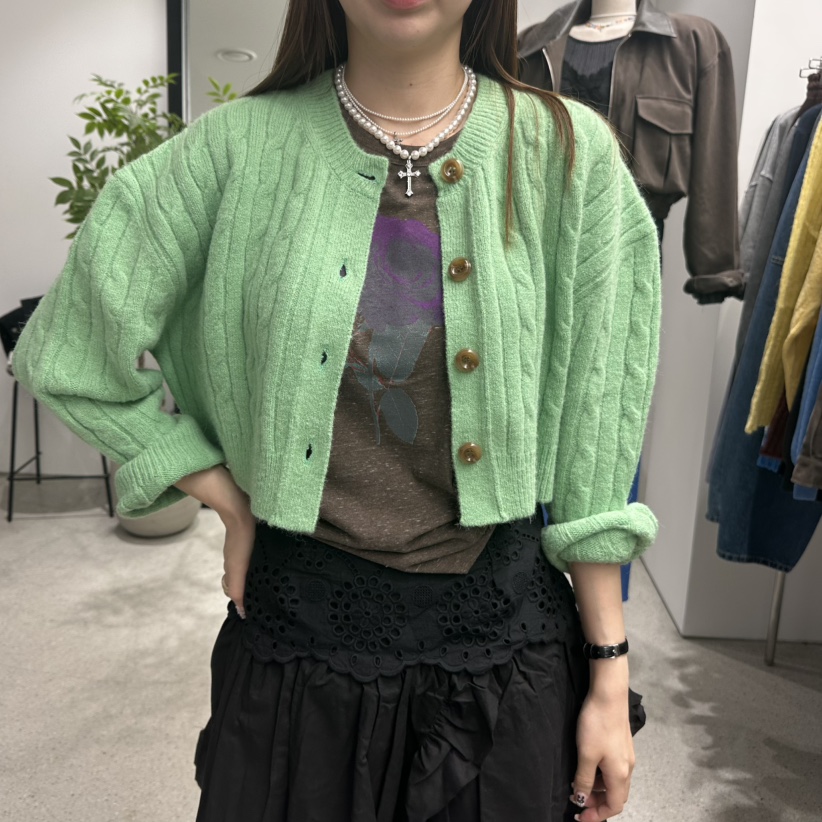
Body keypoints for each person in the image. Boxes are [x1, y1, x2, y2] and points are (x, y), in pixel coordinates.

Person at [10, 1, 662, 820]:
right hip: (295, 658)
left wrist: (609, 675)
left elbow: (596, 432)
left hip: (504, 657)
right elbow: (68, 352)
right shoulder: (234, 149)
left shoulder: (568, 155)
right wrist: (213, 485)